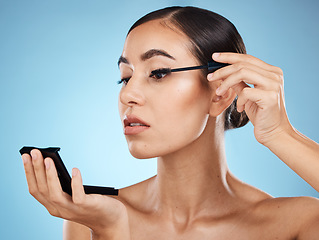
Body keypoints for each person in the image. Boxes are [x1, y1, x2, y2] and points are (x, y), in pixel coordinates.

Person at [21, 6, 319, 240]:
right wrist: (111, 231)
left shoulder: (296, 223)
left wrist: (281, 134)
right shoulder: (91, 216)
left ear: (220, 94)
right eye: (125, 77)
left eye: (159, 72)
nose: (128, 94)